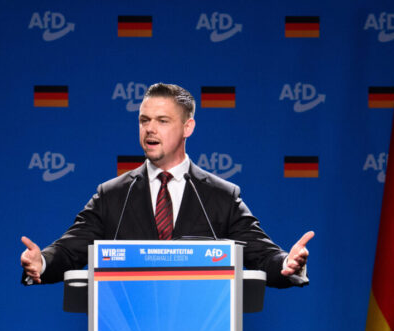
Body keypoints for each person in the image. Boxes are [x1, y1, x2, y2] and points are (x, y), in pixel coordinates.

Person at [20, 83, 313, 287]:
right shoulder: (112, 196)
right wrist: (42, 262)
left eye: (162, 120)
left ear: (188, 127)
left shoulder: (220, 196)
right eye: (144, 120)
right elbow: (70, 249)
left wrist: (288, 263)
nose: (149, 129)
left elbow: (262, 255)